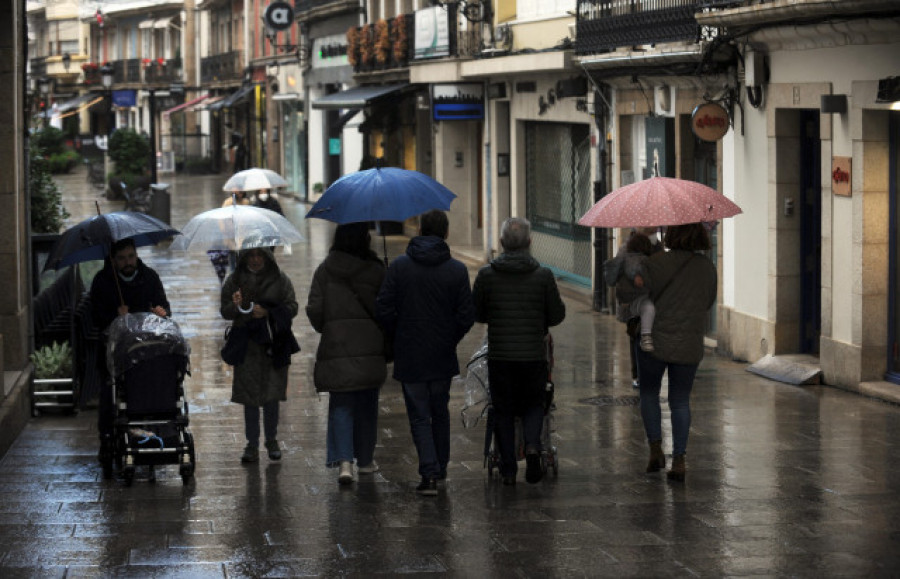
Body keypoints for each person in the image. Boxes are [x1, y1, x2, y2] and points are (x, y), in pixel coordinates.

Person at [375, 210, 475, 496]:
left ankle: (429, 472)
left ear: (419, 231)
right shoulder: (456, 270)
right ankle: (439, 466)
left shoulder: (400, 267)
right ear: (445, 233)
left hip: (411, 352)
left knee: (419, 415)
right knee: (439, 411)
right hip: (442, 353)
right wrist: (449, 337)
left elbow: (383, 307)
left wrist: (401, 332)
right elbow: (466, 315)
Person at [472, 217, 566, 486]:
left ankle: (509, 470)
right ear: (529, 242)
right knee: (534, 404)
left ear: (501, 243)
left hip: (500, 355)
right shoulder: (543, 275)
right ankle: (534, 446)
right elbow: (557, 315)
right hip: (533, 356)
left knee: (502, 409)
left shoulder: (486, 275)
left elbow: (476, 312)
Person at [306, 223, 387, 486]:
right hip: (370, 347)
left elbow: (314, 310)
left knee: (341, 404)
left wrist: (328, 326)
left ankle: (344, 463)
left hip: (337, 345)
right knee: (367, 404)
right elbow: (387, 309)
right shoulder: (376, 270)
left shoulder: (325, 270)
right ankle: (365, 460)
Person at [637, 222, 717, 482]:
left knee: (649, 394)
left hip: (654, 340)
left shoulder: (655, 262)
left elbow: (637, 296)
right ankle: (679, 459)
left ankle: (655, 449)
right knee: (680, 400)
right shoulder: (707, 267)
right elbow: (708, 301)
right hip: (689, 342)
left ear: (671, 234)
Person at [90, 238, 170, 464]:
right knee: (110, 391)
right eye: (122, 258)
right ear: (113, 261)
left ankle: (153, 431)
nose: (128, 262)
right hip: (114, 351)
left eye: (131, 257)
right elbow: (95, 317)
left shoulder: (150, 277)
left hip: (146, 349)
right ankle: (107, 438)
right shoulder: (103, 282)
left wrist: (161, 311)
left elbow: (164, 306)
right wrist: (116, 316)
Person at [220, 246, 299, 463]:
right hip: (247, 345)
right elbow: (225, 310)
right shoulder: (234, 281)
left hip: (274, 344)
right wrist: (236, 305)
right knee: (249, 396)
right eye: (251, 255)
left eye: (259, 255)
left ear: (267, 256)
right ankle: (252, 444)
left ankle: (271, 439)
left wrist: (269, 312)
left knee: (272, 394)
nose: (255, 260)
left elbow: (292, 307)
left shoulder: (280, 279)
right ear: (244, 257)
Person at [614, 232, 657, 353]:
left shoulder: (626, 254)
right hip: (638, 302)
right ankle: (646, 337)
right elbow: (635, 272)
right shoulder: (639, 259)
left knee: (635, 345)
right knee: (648, 308)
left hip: (630, 307)